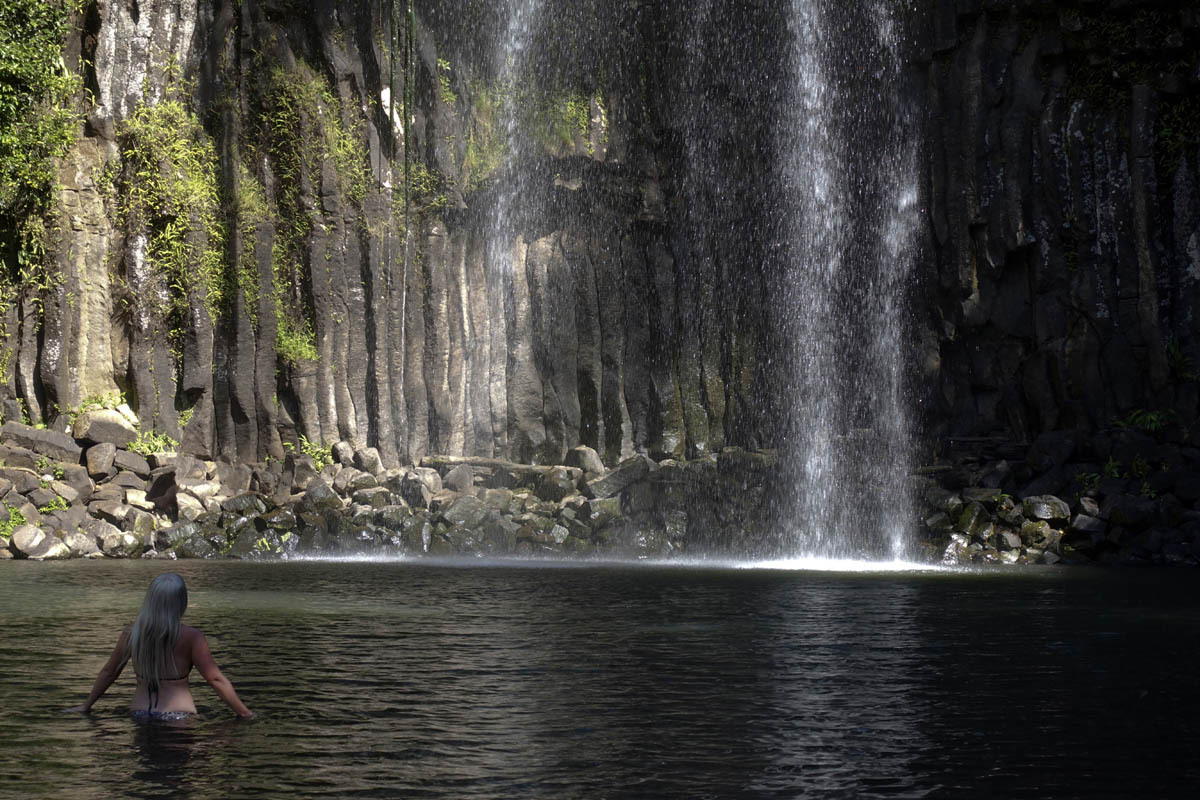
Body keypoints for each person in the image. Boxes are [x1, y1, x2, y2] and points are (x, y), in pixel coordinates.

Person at [68, 573, 254, 721]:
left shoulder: (132, 634)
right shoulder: (191, 637)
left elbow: (110, 672)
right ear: (182, 602)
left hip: (140, 715)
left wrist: (86, 706)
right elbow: (215, 679)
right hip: (179, 716)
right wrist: (244, 713)